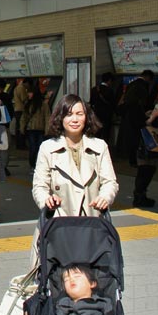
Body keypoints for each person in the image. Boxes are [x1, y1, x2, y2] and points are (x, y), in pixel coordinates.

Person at [32, 94, 118, 267]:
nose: (75, 119)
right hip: (58, 224)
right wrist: (46, 200)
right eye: (69, 114)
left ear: (87, 117)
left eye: (80, 114)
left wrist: (105, 197)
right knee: (60, 277)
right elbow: (39, 186)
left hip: (92, 225)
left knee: (91, 277)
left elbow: (110, 182)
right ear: (60, 118)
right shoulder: (47, 148)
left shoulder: (99, 146)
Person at [118, 71, 157, 207]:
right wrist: (153, 116)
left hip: (131, 138)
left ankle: (140, 195)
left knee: (143, 168)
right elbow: (141, 122)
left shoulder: (128, 104)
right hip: (140, 140)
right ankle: (140, 197)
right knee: (146, 168)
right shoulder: (136, 105)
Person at [23, 83, 51, 170]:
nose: (28, 94)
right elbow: (24, 117)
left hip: (40, 130)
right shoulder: (28, 104)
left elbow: (47, 117)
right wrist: (22, 127)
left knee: (39, 148)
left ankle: (37, 164)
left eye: (30, 92)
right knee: (33, 148)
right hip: (30, 129)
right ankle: (32, 164)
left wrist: (47, 129)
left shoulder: (43, 105)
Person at [90, 72, 117, 146]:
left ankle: (95, 148)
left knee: (97, 134)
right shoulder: (110, 90)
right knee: (105, 135)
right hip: (107, 117)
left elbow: (91, 102)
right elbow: (113, 104)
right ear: (109, 80)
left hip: (96, 115)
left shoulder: (94, 89)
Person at [12, 78, 31, 150]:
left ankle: (18, 144)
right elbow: (24, 99)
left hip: (16, 109)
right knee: (21, 127)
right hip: (21, 110)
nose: (28, 87)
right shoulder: (22, 88)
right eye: (29, 85)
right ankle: (21, 144)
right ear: (27, 83)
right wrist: (28, 98)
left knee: (18, 127)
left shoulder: (16, 87)